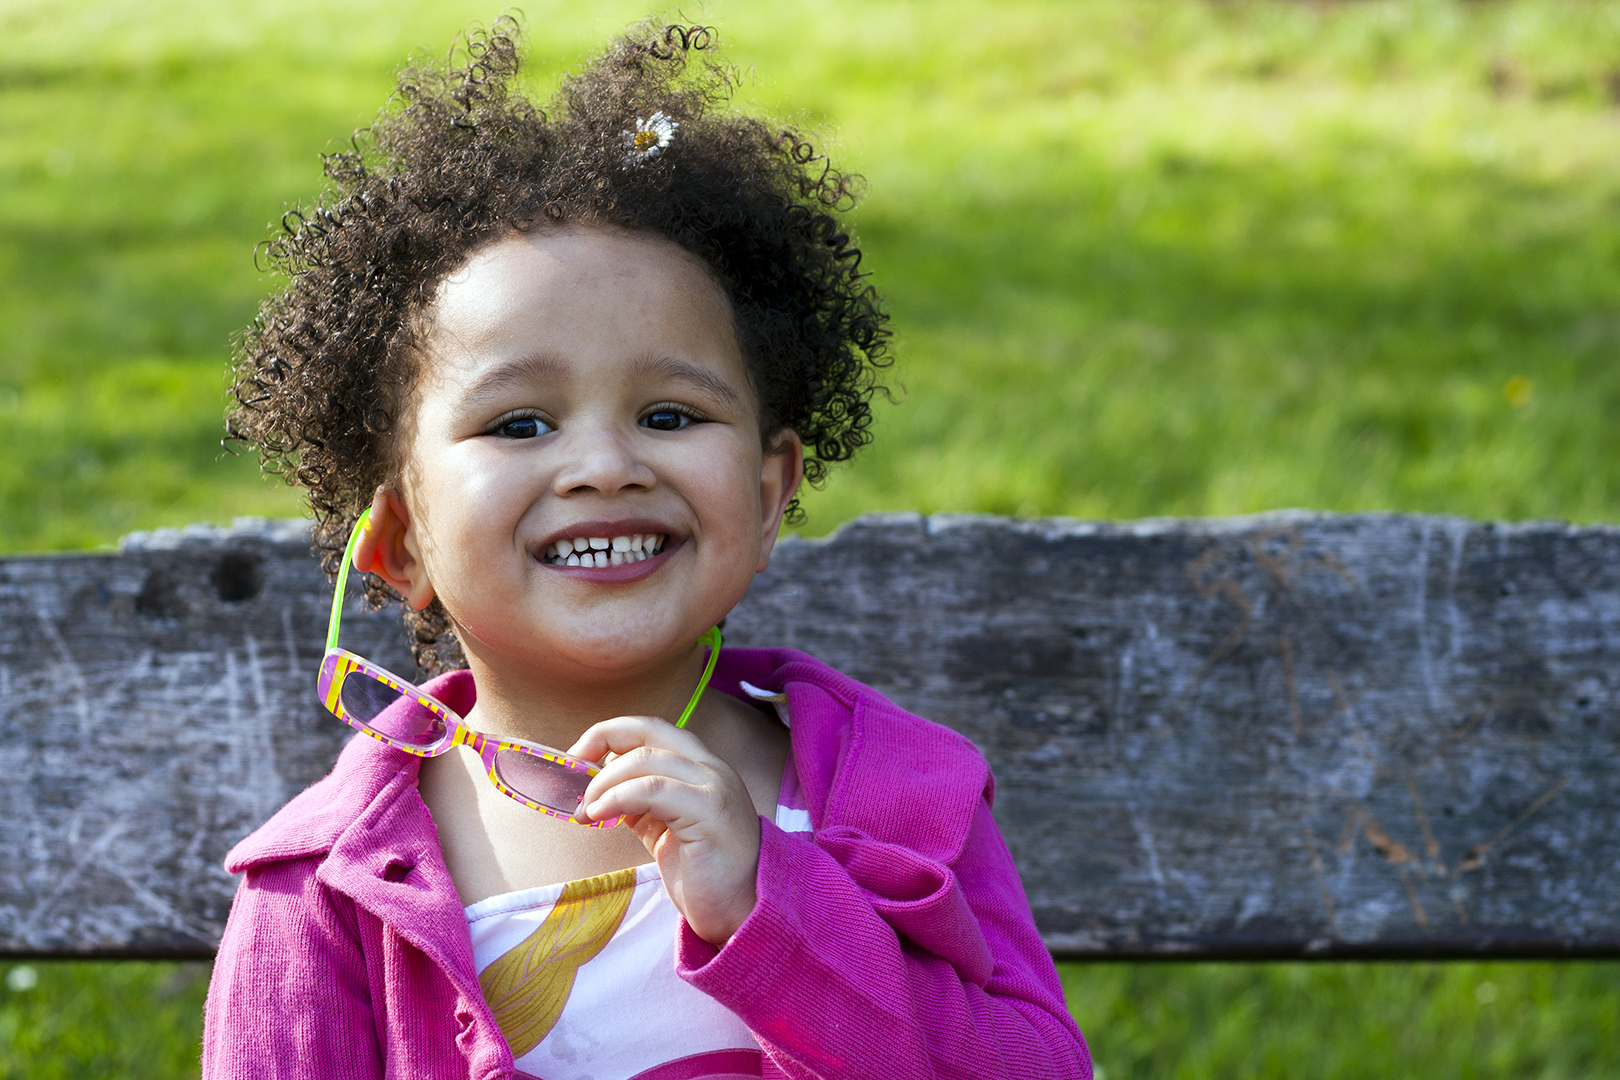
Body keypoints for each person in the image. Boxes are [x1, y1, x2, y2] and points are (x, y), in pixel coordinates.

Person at [203, 18, 1091, 1080]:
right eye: (520, 424)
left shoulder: (901, 798)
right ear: (400, 545)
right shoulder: (325, 893)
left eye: (670, 415)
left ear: (768, 496)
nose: (606, 464)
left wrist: (774, 908)